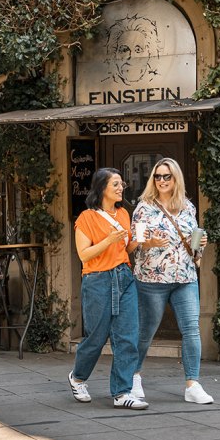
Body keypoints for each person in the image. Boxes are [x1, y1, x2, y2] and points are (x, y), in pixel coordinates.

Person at [130, 158, 213, 404]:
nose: (162, 181)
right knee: (145, 331)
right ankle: (133, 376)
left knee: (191, 330)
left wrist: (201, 245)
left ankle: (192, 384)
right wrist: (150, 243)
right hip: (151, 279)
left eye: (167, 176)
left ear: (176, 179)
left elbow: (192, 243)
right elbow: (134, 244)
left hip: (185, 277)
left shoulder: (187, 207)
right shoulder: (144, 208)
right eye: (158, 176)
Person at [68, 168, 147, 410]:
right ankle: (78, 377)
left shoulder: (123, 214)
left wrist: (138, 241)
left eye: (121, 184)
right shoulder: (86, 218)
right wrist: (108, 240)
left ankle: (122, 393)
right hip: (97, 280)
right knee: (96, 337)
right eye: (115, 184)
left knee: (127, 337)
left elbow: (125, 249)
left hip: (124, 277)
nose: (121, 188)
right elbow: (84, 254)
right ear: (102, 188)